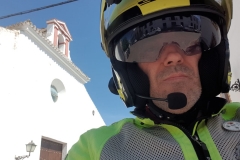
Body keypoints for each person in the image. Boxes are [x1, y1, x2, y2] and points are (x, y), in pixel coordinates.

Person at [67, 0, 240, 159]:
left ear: (213, 57)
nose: (172, 55)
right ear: (130, 72)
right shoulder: (95, 149)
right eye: (150, 49)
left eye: (190, 43)